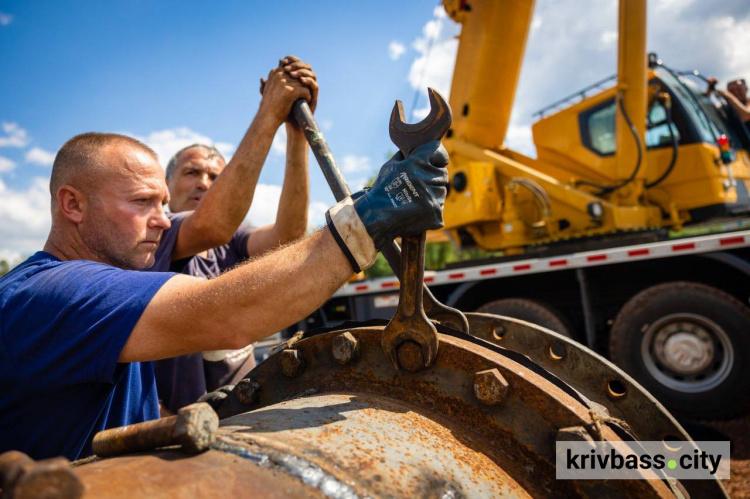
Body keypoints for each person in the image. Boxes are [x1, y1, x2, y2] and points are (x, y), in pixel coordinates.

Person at [0, 121, 449, 460]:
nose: (160, 219)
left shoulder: (95, 289)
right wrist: (370, 216)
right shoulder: (56, 293)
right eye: (141, 202)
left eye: (161, 203)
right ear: (72, 204)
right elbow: (227, 315)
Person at [151, 57, 314, 413]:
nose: (204, 183)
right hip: (179, 426)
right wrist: (269, 113)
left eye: (215, 177)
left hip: (243, 417)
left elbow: (287, 237)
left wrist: (296, 135)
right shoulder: (157, 235)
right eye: (192, 172)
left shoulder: (233, 241)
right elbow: (211, 225)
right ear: (166, 185)